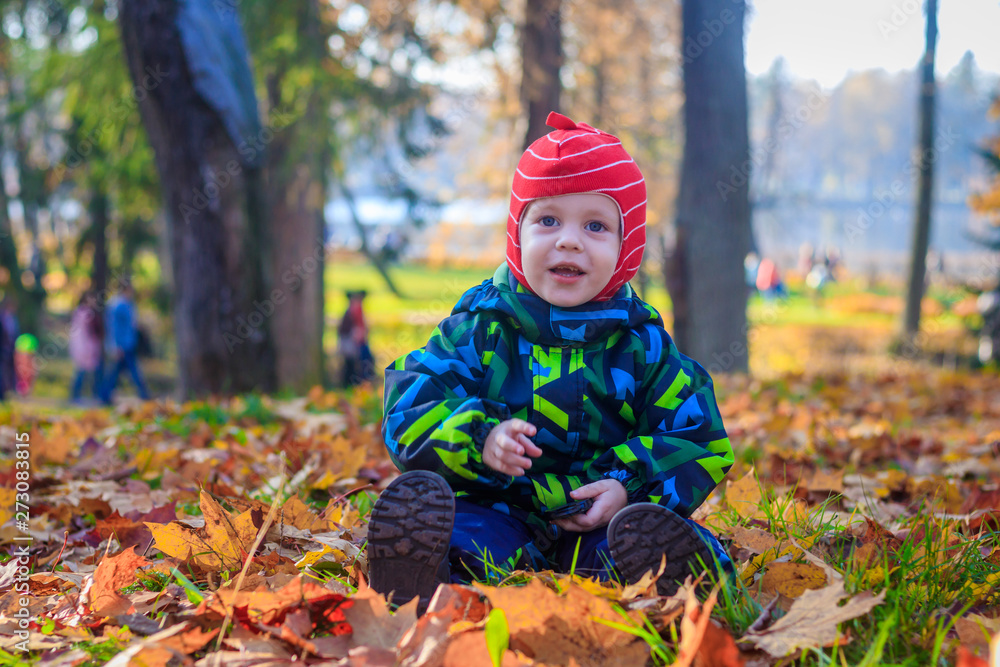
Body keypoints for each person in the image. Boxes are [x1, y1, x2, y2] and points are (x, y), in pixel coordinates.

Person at [368, 112, 734, 609]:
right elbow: (411, 407)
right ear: (517, 234)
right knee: (464, 533)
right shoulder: (482, 329)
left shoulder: (642, 347)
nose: (568, 239)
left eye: (596, 225)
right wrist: (480, 438)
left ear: (627, 249)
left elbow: (696, 436)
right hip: (502, 508)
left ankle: (680, 581)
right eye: (547, 220)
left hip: (602, 523)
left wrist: (629, 485)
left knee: (638, 544)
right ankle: (425, 576)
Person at [100, 282, 149, 403]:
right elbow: (114, 328)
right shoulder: (118, 305)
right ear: (125, 290)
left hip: (128, 343)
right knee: (131, 370)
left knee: (115, 373)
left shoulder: (127, 304)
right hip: (122, 345)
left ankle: (104, 395)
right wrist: (115, 346)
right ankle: (144, 394)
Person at [69, 291, 104, 403]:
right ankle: (79, 395)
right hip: (85, 348)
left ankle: (90, 395)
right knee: (83, 372)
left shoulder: (83, 312)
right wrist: (84, 348)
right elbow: (82, 334)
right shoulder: (85, 314)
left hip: (87, 347)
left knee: (89, 372)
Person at [338, 290, 375, 386]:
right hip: (351, 345)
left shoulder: (355, 310)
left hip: (355, 344)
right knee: (351, 365)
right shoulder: (352, 311)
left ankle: (358, 384)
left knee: (360, 363)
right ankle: (352, 384)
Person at [0, 296, 18, 399]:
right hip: (2, 349)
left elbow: (14, 334)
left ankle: (6, 392)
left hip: (9, 350)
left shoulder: (13, 319)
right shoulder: (2, 318)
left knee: (8, 372)